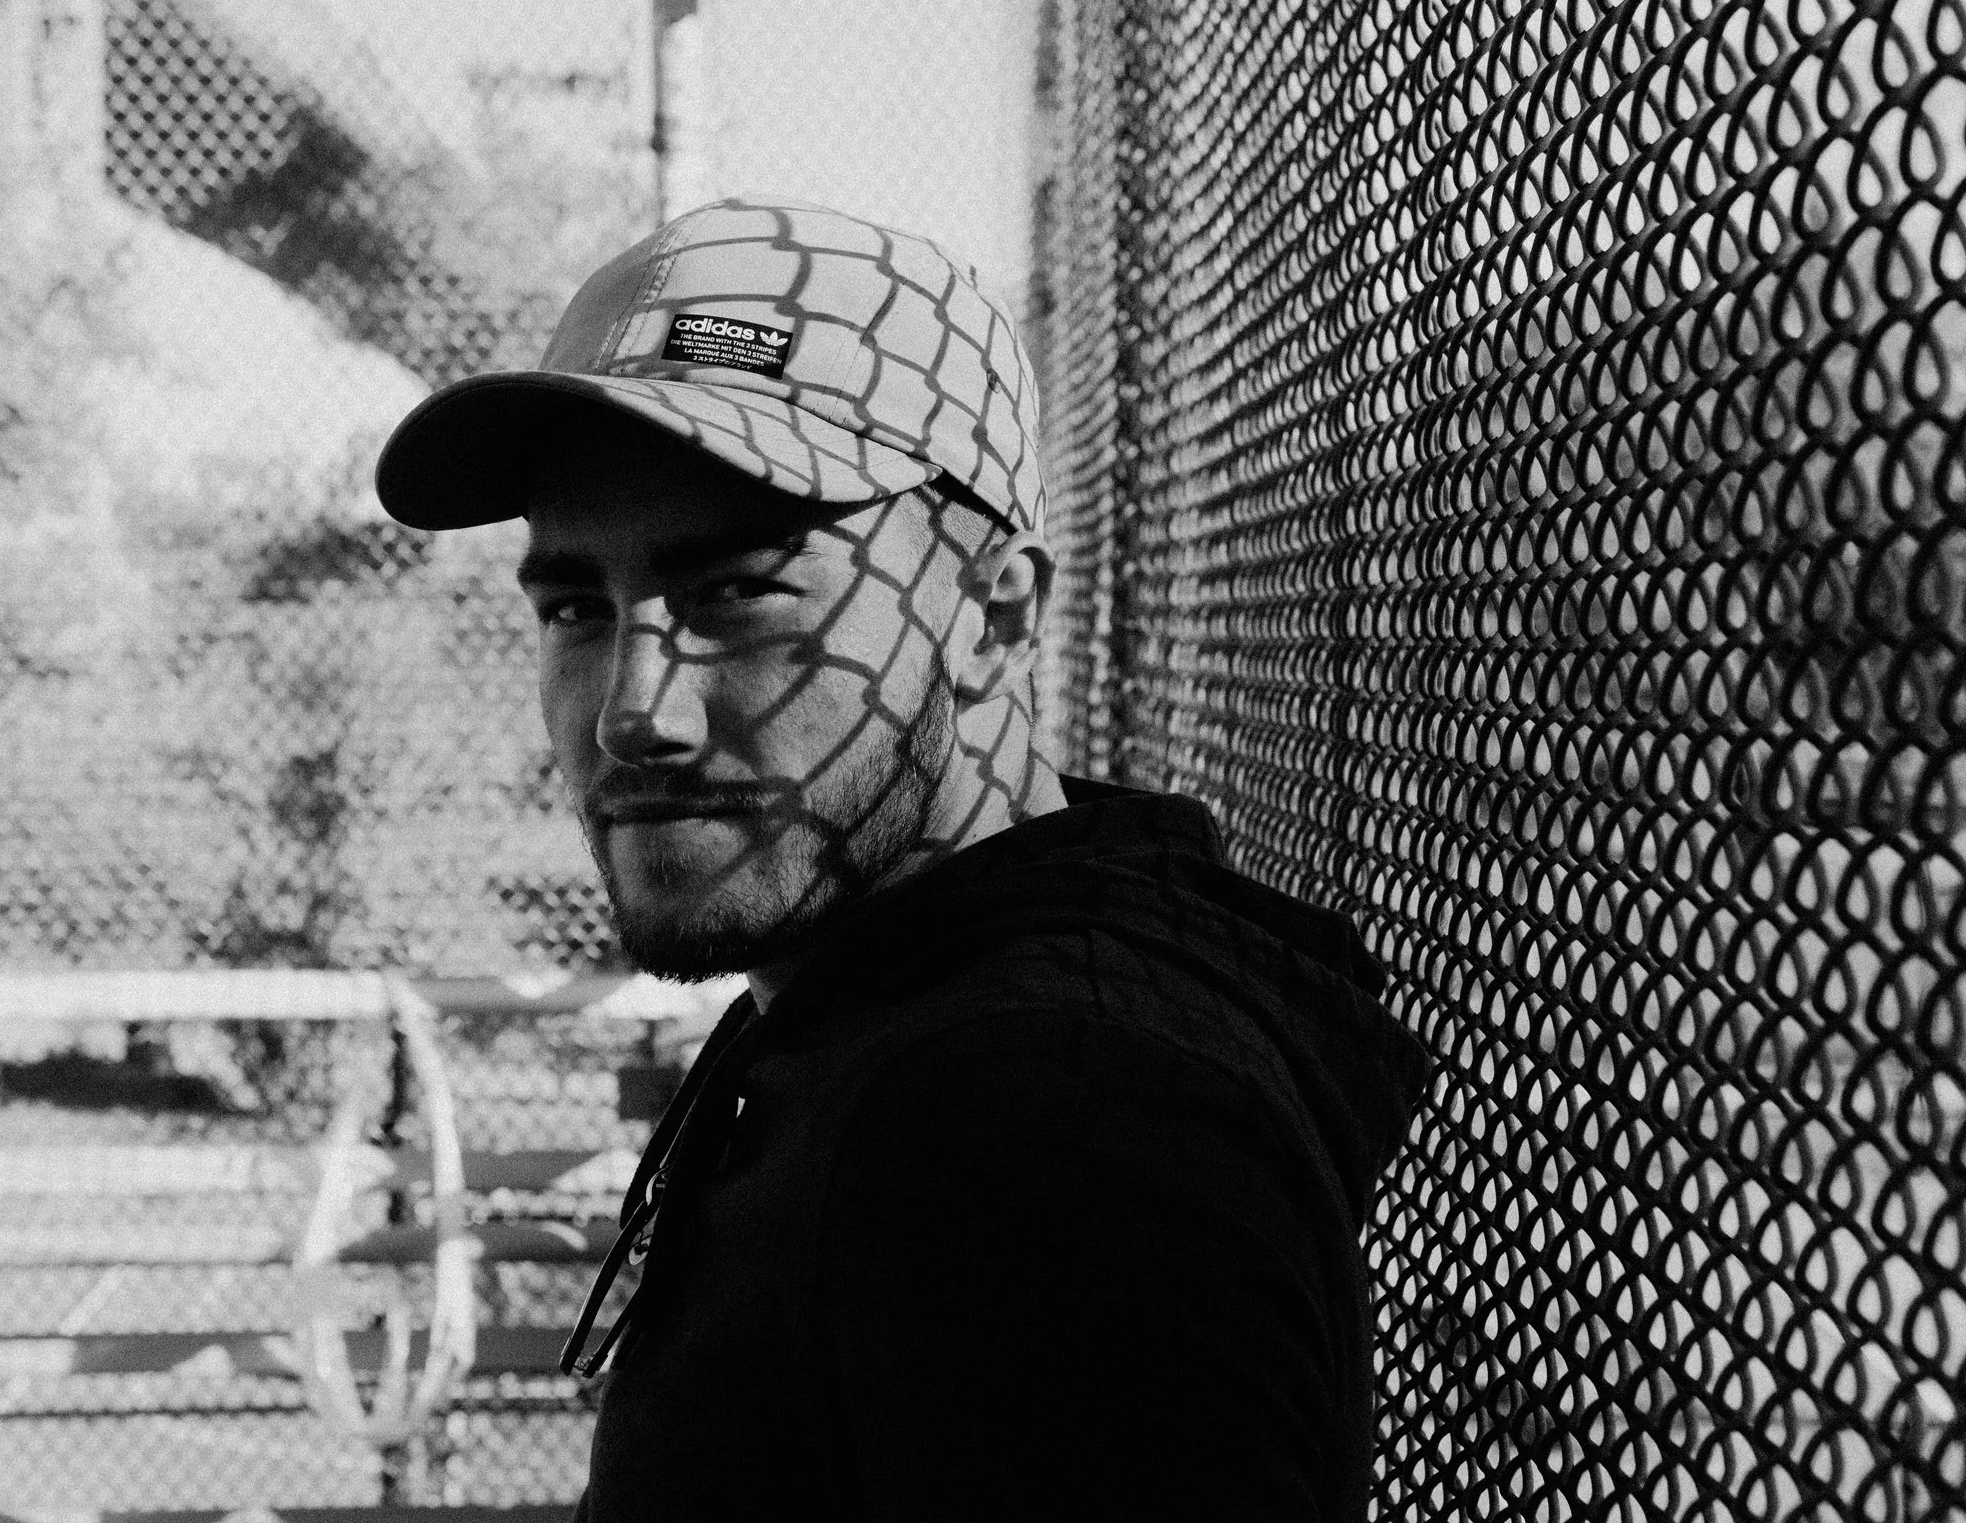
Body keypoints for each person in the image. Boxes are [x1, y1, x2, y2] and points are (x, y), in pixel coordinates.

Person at [373, 196, 1430, 1521]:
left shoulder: (1039, 1127)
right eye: (578, 606)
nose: (631, 707)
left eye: (738, 593)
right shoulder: (910, 1023)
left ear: (993, 615)